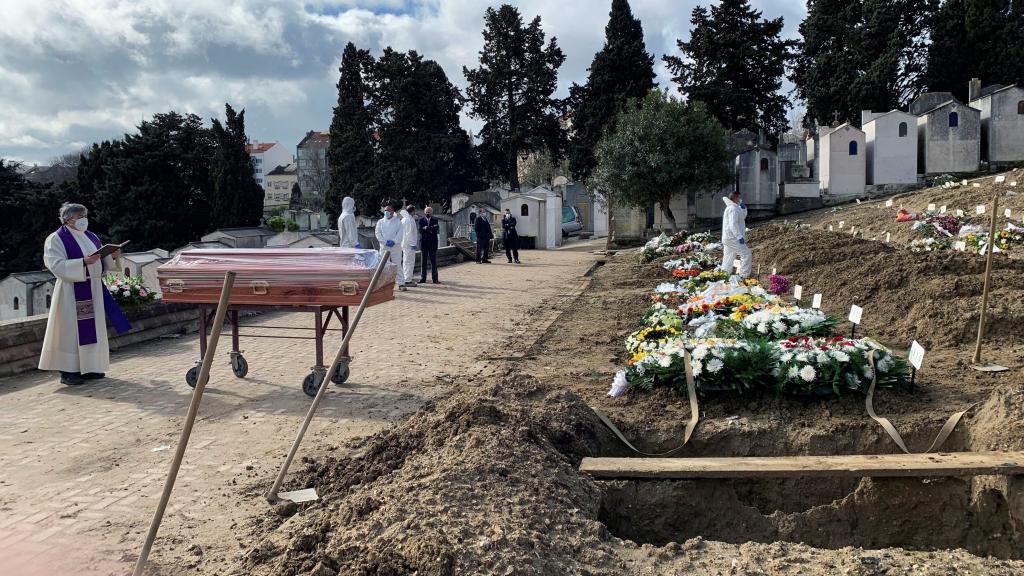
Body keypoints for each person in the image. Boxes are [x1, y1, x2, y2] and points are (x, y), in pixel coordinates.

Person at [39, 203, 131, 386]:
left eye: (85, 216)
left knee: (94, 329)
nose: (84, 220)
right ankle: (69, 372)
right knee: (70, 332)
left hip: (94, 288)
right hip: (71, 291)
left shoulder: (91, 236)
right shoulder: (56, 239)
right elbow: (55, 264)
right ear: (68, 219)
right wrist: (82, 262)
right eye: (80, 217)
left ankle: (90, 368)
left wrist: (112, 256)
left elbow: (100, 260)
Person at [375, 202, 406, 290]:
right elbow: (377, 233)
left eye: (388, 210)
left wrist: (394, 241)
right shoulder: (380, 222)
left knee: (397, 265)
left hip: (395, 247)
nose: (386, 212)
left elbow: (400, 233)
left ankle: (401, 283)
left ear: (392, 212)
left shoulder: (398, 222)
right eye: (385, 210)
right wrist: (384, 242)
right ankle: (384, 284)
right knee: (384, 266)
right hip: (384, 247)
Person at [721, 190, 752, 278]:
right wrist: (739, 236)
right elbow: (733, 224)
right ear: (735, 198)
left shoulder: (734, 207)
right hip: (733, 238)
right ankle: (744, 276)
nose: (740, 199)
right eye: (739, 197)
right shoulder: (732, 209)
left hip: (729, 238)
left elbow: (741, 218)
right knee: (746, 254)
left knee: (729, 257)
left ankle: (724, 275)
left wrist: (744, 209)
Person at [419, 206, 440, 284]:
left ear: (432, 213)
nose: (428, 213)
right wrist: (430, 229)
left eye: (429, 212)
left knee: (433, 262)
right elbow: (420, 230)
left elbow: (436, 229)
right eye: (427, 212)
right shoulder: (421, 220)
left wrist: (426, 228)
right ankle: (423, 278)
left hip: (432, 244)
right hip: (424, 244)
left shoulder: (435, 220)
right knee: (423, 263)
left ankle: (435, 279)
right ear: (424, 212)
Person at [400, 205, 418, 287]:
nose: (415, 212)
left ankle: (406, 278)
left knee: (406, 262)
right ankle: (407, 280)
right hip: (409, 244)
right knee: (409, 262)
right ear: (412, 211)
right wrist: (412, 244)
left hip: (405, 244)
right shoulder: (409, 220)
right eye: (415, 210)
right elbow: (409, 233)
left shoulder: (404, 219)